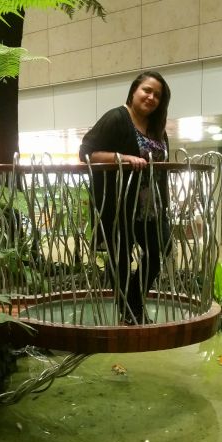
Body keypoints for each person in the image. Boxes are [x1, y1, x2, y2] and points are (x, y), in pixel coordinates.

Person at [79, 70, 171, 325]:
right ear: (134, 91)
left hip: (150, 208)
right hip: (120, 206)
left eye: (157, 95)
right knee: (120, 258)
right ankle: (130, 313)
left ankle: (133, 301)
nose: (151, 97)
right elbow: (86, 153)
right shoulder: (117, 117)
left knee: (157, 252)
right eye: (147, 90)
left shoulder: (158, 129)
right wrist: (123, 158)